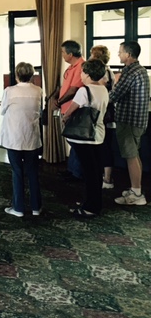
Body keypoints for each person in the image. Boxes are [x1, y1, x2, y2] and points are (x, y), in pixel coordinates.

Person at [62, 59, 109, 217]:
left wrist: (64, 118)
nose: (81, 75)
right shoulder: (103, 89)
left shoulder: (84, 91)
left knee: (89, 172)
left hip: (84, 136)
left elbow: (70, 111)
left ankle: (90, 207)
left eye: (82, 72)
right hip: (99, 134)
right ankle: (94, 203)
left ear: (88, 73)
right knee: (95, 171)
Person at [0, 62, 43, 217]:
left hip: (14, 136)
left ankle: (18, 208)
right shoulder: (38, 90)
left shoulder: (9, 91)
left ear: (17, 75)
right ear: (31, 75)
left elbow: (3, 110)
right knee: (32, 171)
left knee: (17, 171)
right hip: (31, 135)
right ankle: (36, 206)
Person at [110, 41, 150, 206]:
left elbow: (115, 95)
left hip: (128, 120)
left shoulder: (130, 71)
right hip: (139, 120)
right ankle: (136, 189)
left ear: (128, 54)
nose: (118, 55)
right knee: (135, 155)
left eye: (120, 52)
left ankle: (136, 193)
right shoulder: (141, 70)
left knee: (130, 156)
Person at [52, 40, 85, 180]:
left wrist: (59, 102)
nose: (62, 55)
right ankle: (72, 170)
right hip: (67, 108)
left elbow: (73, 90)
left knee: (75, 142)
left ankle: (77, 173)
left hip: (73, 109)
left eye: (63, 52)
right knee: (72, 141)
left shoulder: (81, 66)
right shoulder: (72, 67)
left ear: (71, 54)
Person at [89, 45, 117, 189]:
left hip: (104, 114)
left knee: (104, 146)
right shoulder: (110, 71)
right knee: (105, 145)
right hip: (108, 114)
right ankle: (105, 176)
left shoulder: (102, 73)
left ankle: (107, 179)